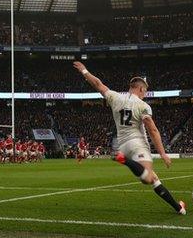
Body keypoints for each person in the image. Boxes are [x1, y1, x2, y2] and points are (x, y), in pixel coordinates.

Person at [72, 61, 186, 215]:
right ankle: (123, 159)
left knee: (153, 179)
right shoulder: (143, 106)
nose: (145, 94)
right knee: (146, 177)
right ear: (140, 89)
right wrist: (163, 153)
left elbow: (98, 84)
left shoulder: (115, 97)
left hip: (122, 145)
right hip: (137, 144)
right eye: (145, 91)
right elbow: (152, 129)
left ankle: (179, 208)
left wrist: (84, 71)